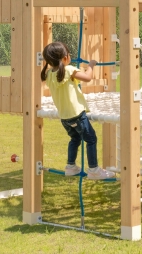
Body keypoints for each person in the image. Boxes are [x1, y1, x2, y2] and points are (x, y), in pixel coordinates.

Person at [40, 41, 115, 180]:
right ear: (65, 58)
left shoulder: (49, 74)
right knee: (91, 139)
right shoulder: (68, 70)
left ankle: (71, 166)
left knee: (75, 138)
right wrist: (91, 65)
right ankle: (93, 170)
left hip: (64, 117)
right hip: (77, 115)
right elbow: (87, 78)